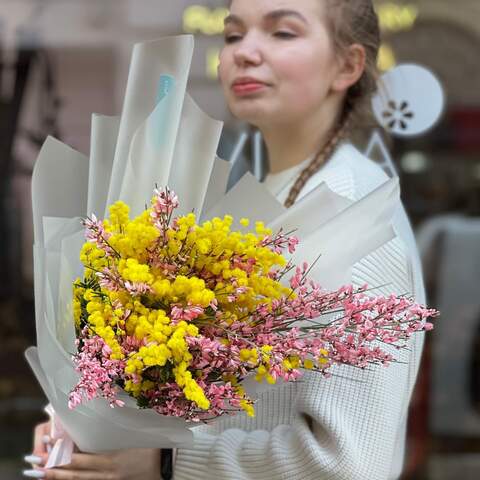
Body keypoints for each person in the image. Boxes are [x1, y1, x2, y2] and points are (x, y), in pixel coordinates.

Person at [24, 0, 427, 478]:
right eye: (234, 35)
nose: (245, 52)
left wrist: (166, 462)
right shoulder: (275, 196)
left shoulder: (354, 212)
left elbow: (349, 461)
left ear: (348, 65)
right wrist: (87, 427)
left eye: (282, 33)